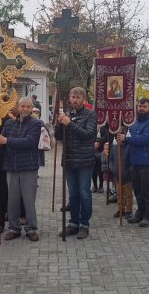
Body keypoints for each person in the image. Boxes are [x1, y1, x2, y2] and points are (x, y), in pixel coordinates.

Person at [0, 97, 43, 241]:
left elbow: (29, 142)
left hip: (28, 167)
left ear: (31, 108)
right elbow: (1, 142)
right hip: (11, 167)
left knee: (28, 200)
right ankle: (14, 228)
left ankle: (31, 228)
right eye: (22, 106)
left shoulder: (36, 124)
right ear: (18, 107)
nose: (25, 109)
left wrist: (6, 141)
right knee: (12, 200)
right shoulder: (9, 124)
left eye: (28, 106)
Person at [56, 87, 98, 240]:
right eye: (72, 97)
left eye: (78, 97)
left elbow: (87, 135)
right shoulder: (67, 114)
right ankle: (73, 223)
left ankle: (84, 225)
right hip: (69, 160)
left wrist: (69, 124)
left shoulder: (91, 115)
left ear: (83, 99)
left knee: (84, 193)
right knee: (73, 194)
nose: (74, 100)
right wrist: (59, 124)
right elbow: (59, 137)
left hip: (85, 161)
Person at [117, 98, 149, 227]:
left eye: (144, 106)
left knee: (147, 191)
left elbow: (145, 139)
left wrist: (127, 138)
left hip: (148, 163)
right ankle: (140, 214)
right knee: (138, 190)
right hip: (135, 162)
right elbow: (131, 140)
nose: (141, 108)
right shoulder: (135, 124)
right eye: (140, 106)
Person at [104, 134, 134, 219]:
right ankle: (121, 209)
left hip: (127, 176)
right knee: (120, 194)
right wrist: (113, 169)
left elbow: (131, 161)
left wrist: (129, 171)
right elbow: (111, 160)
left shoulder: (129, 147)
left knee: (128, 194)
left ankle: (129, 210)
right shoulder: (114, 148)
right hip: (117, 175)